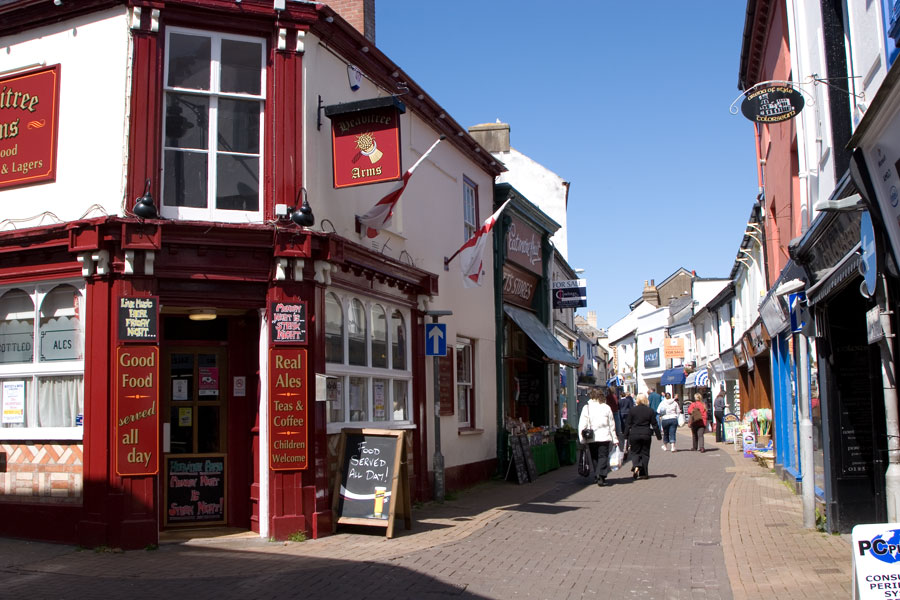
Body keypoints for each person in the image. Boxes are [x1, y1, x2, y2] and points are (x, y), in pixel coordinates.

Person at [577, 389, 618, 486]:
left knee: (594, 457)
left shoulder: (586, 408)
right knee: (603, 456)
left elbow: (582, 424)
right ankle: (601, 475)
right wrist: (615, 438)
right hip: (604, 436)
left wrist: (581, 439)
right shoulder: (606, 407)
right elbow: (611, 424)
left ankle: (597, 474)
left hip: (591, 437)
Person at [624, 392, 662, 479]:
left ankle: (636, 465)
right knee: (645, 453)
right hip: (646, 433)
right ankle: (644, 473)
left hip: (634, 434)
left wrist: (625, 435)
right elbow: (655, 424)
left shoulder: (632, 410)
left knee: (635, 452)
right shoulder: (650, 411)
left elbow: (628, 424)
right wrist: (658, 436)